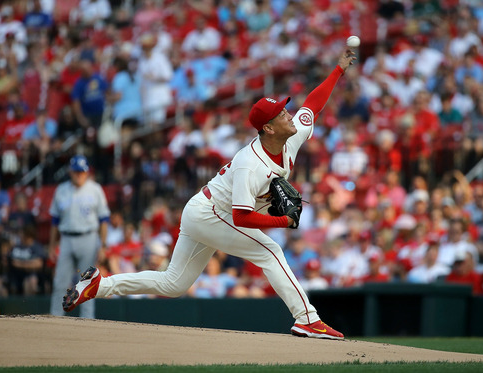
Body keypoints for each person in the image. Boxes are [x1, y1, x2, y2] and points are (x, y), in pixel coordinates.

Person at [62, 50, 357, 340]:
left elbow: (313, 106)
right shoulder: (250, 164)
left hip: (204, 210)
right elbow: (241, 217)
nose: (289, 115)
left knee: (173, 283)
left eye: (284, 109)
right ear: (268, 127)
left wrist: (338, 70)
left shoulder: (290, 137)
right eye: (281, 113)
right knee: (271, 251)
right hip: (212, 212)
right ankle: (308, 320)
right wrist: (283, 222)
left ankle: (99, 286)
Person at [49, 155, 110, 318]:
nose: (79, 175)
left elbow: (104, 220)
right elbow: (54, 221)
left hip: (88, 238)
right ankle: (55, 318)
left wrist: (103, 246)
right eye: (76, 172)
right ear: (70, 171)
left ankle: (87, 320)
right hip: (66, 238)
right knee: (60, 282)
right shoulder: (61, 189)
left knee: (87, 283)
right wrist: (51, 246)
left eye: (82, 172)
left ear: (87, 172)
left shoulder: (95, 189)